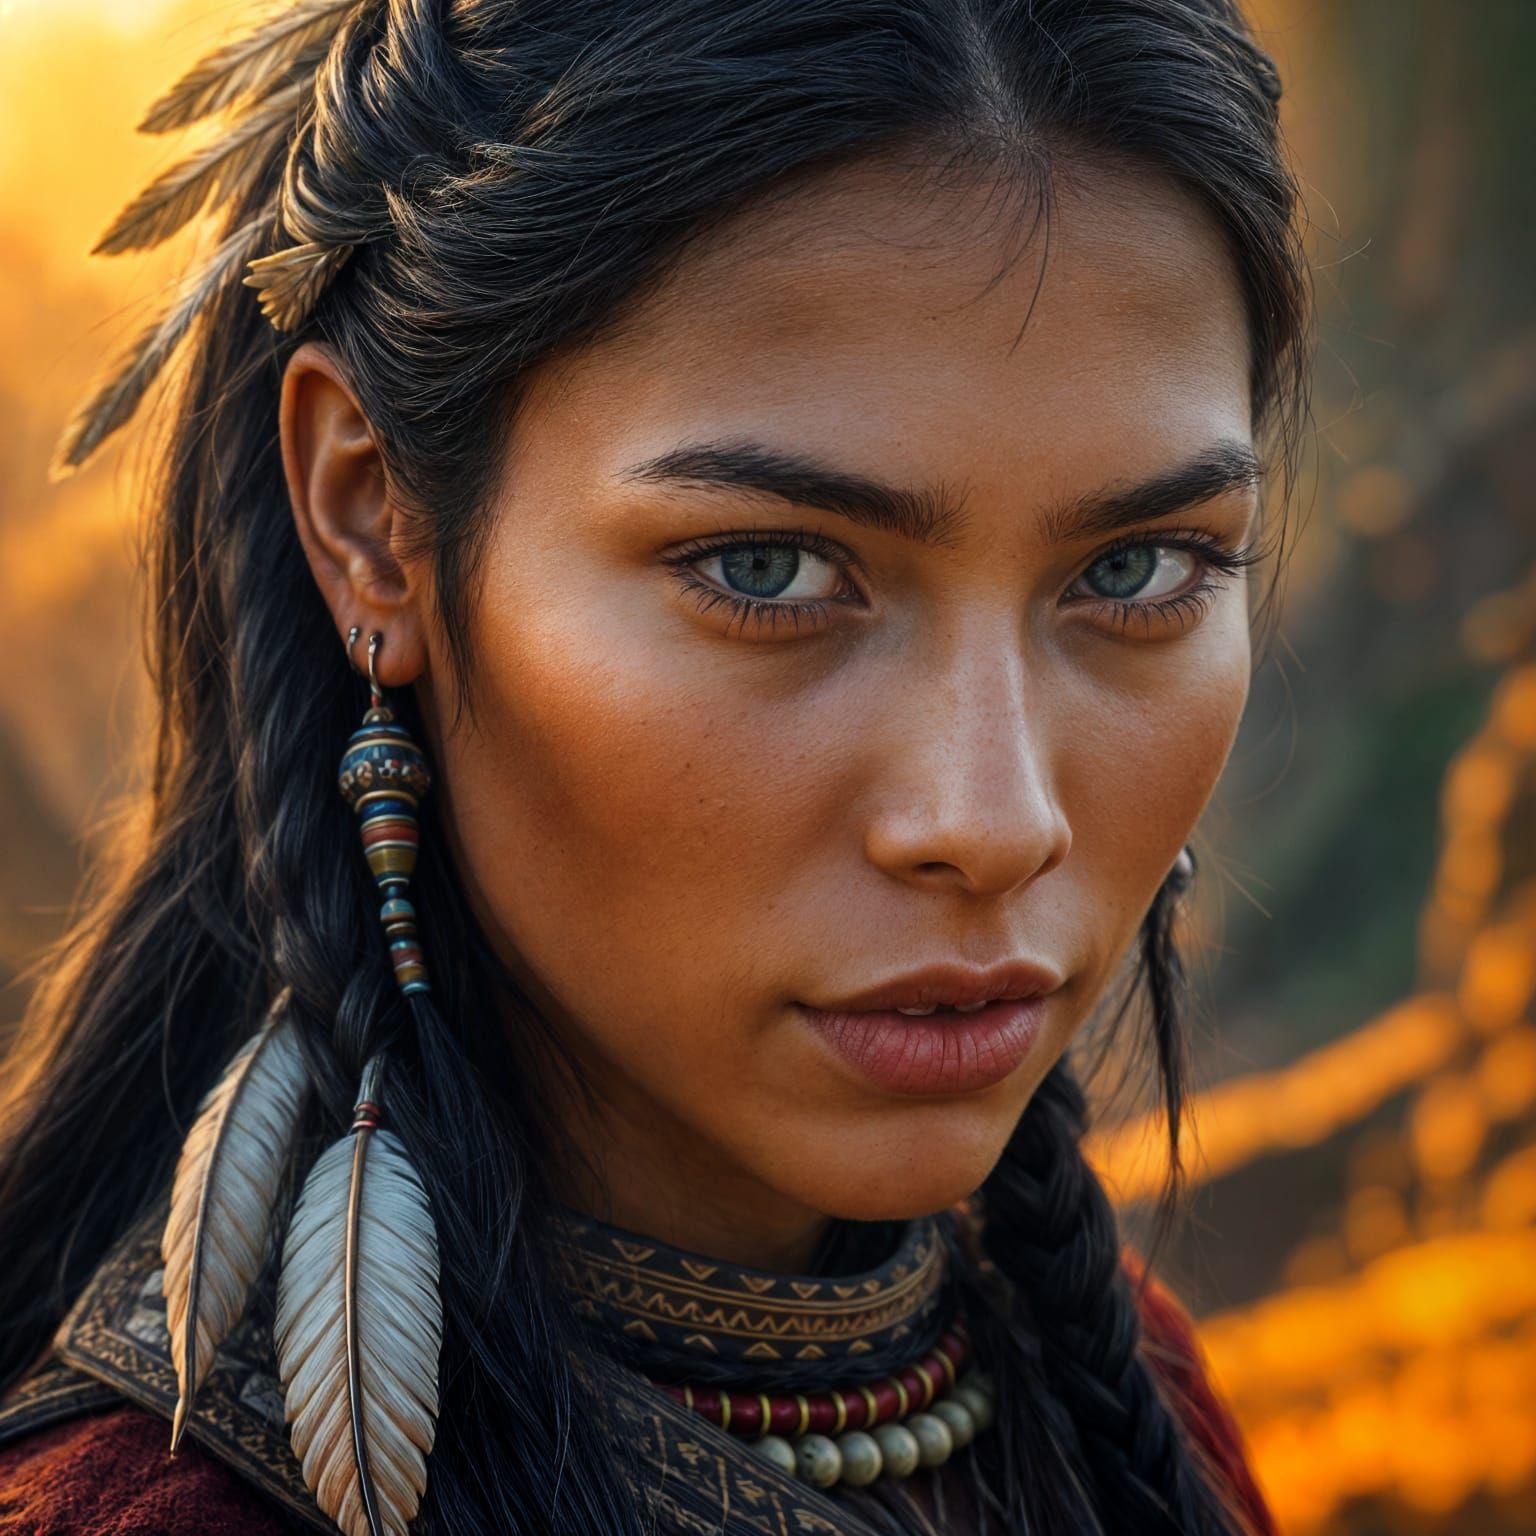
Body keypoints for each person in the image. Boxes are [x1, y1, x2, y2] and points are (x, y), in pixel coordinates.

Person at [0, 1, 1309, 1532]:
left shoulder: (1126, 1390)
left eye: (1142, 568)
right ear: (371, 522)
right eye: (765, 569)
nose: (995, 820)